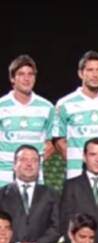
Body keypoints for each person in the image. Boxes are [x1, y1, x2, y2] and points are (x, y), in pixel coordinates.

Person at [53, 50, 98, 179]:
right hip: (75, 175)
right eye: (90, 70)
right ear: (81, 73)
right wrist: (77, 159)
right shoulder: (64, 104)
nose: (95, 74)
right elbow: (59, 139)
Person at [0, 55, 54, 186]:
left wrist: (33, 162)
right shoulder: (1, 105)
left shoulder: (47, 107)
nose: (26, 78)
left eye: (30, 74)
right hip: (4, 177)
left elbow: (51, 143)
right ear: (12, 78)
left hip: (35, 178)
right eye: (21, 74)